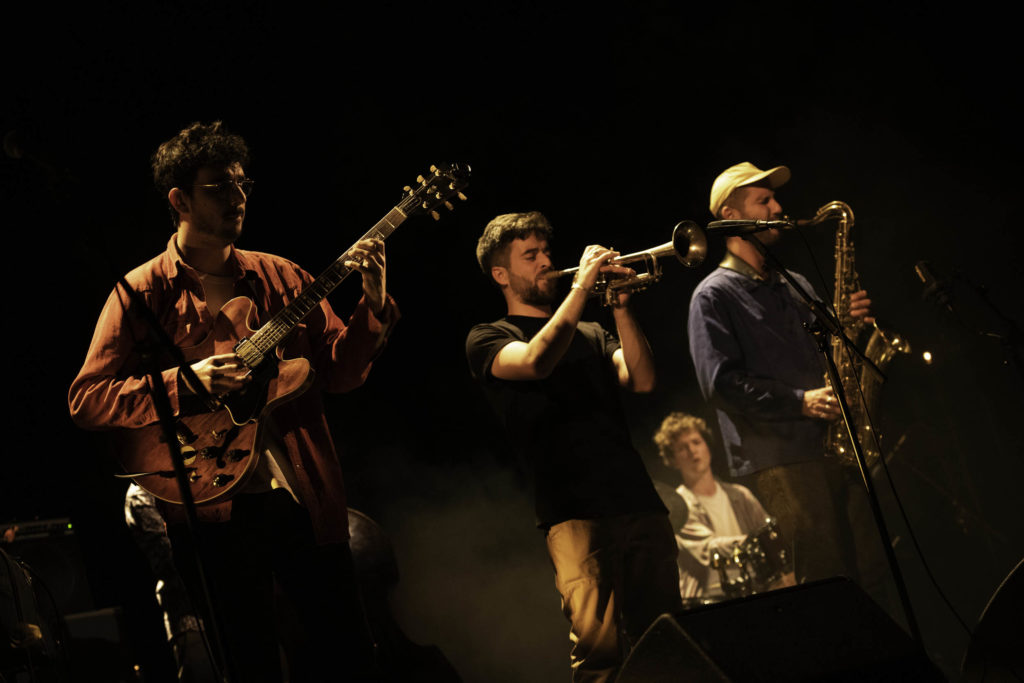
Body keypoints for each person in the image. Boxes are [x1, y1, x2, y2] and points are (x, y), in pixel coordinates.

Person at [69, 121, 399, 682]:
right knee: (248, 662)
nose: (238, 198)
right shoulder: (141, 291)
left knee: (346, 655)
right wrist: (185, 381)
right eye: (219, 187)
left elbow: (341, 376)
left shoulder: (284, 276)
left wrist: (373, 304)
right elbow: (88, 400)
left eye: (243, 184)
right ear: (179, 199)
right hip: (207, 506)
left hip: (301, 492)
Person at [465, 212, 681, 683]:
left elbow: (642, 379)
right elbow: (538, 361)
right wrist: (582, 289)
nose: (546, 262)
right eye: (531, 256)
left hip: (637, 500)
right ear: (501, 275)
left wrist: (621, 308)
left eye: (546, 252)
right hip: (572, 512)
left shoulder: (591, 333)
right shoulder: (489, 337)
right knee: (600, 655)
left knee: (669, 642)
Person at [687, 161, 887, 597]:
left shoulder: (794, 284)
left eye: (775, 198)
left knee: (873, 575)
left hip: (836, 447)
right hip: (781, 461)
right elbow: (719, 383)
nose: (779, 207)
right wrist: (800, 401)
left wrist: (848, 327)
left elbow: (832, 357)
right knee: (825, 583)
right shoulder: (713, 295)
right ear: (731, 216)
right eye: (765, 200)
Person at [652, 412, 794, 601]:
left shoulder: (740, 494)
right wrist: (755, 541)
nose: (692, 450)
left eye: (696, 442)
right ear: (672, 459)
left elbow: (769, 535)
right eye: (682, 448)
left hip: (755, 589)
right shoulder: (677, 506)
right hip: (709, 598)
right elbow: (709, 550)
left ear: (707, 445)